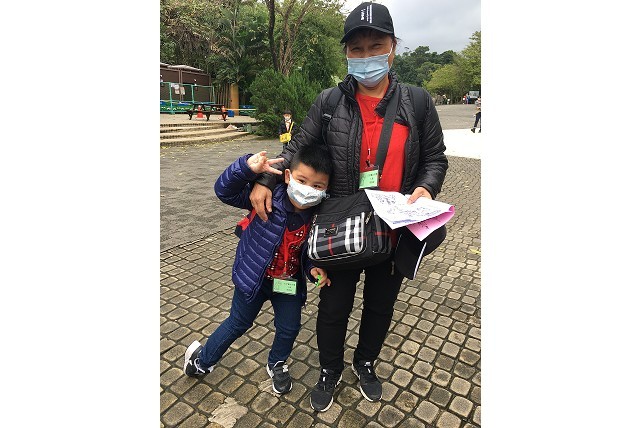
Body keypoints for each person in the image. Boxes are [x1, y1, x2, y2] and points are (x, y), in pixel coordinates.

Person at [248, 1, 448, 412]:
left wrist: (426, 188)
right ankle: (330, 368)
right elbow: (297, 149)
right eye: (356, 48)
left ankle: (366, 362)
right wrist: (266, 179)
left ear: (392, 48)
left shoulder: (417, 102)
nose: (366, 55)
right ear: (346, 53)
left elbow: (434, 158)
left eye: (376, 46)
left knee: (380, 304)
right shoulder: (329, 102)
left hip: (394, 227)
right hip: (339, 227)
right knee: (333, 306)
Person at [183, 144, 333, 395]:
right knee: (238, 323)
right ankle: (201, 361)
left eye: (317, 186)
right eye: (302, 181)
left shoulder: (319, 217)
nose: (308, 190)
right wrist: (245, 169)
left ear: (326, 189)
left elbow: (308, 252)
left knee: (289, 328)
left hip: (288, 283)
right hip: (254, 278)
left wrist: (314, 269)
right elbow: (224, 191)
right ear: (288, 176)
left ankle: (277, 363)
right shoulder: (266, 196)